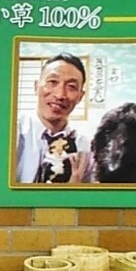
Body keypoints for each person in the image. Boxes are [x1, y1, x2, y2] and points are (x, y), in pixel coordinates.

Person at [15, 52, 94, 184]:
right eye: (52, 82)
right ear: (36, 87)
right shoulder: (12, 131)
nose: (60, 94)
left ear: (80, 96)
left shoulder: (85, 147)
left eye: (71, 87)